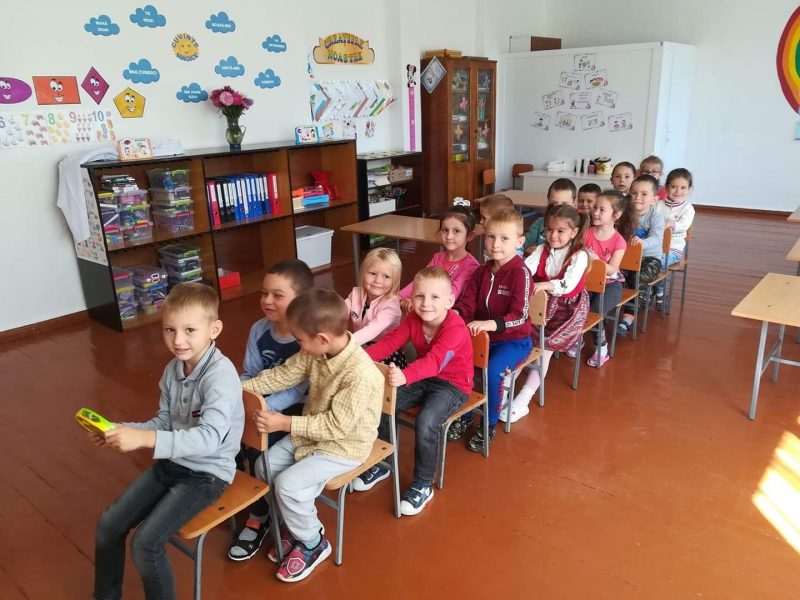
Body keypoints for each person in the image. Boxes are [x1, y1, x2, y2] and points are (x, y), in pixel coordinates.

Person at [93, 283, 243, 600]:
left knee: (145, 544)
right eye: (169, 330)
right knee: (109, 525)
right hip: (172, 464)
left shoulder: (220, 376)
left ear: (214, 330)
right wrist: (121, 429)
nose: (177, 340)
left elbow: (210, 439)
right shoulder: (173, 370)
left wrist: (144, 439)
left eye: (190, 330)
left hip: (207, 475)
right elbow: (164, 422)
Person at [241, 287, 384, 583]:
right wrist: (237, 387)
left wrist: (285, 423)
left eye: (299, 339)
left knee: (288, 486)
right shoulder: (316, 351)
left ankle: (312, 542)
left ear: (322, 339)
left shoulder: (361, 374)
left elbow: (336, 427)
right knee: (263, 466)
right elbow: (284, 374)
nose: (298, 345)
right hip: (313, 434)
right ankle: (295, 527)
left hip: (344, 445)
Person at [355, 267, 473, 515]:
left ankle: (423, 484)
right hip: (423, 378)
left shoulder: (456, 327)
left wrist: (405, 375)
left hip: (453, 385)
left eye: (435, 297)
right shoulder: (412, 318)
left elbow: (435, 362)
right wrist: (359, 359)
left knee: (427, 422)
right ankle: (383, 464)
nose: (426, 303)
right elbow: (390, 343)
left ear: (449, 300)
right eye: (419, 296)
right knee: (383, 404)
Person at [229, 259, 313, 561]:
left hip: (295, 413)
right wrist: (240, 399)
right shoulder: (259, 329)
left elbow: (298, 389)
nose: (267, 300)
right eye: (264, 293)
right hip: (260, 405)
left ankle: (260, 515)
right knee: (229, 440)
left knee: (258, 450)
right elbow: (250, 373)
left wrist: (260, 410)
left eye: (277, 295)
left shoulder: (307, 338)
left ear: (300, 300)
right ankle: (246, 496)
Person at [451, 209, 533, 450]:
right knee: (460, 366)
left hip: (513, 341)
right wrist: (455, 314)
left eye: (504, 238)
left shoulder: (521, 274)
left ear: (519, 241)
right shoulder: (481, 271)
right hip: (480, 338)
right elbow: (467, 303)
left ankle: (488, 424)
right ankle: (465, 416)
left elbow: (520, 317)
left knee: (494, 371)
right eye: (491, 237)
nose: (496, 244)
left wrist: (491, 323)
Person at [506, 205, 590, 422]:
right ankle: (505, 387)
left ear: (574, 231)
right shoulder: (542, 249)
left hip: (567, 310)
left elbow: (567, 284)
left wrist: (545, 284)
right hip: (541, 304)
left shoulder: (580, 255)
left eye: (560, 231)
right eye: (549, 230)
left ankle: (524, 398)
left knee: (544, 349)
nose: (553, 235)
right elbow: (525, 270)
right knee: (521, 341)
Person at [575, 190, 636, 366]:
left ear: (616, 215)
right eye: (595, 207)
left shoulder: (618, 241)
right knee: (576, 307)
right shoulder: (586, 233)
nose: (595, 212)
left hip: (611, 285)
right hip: (586, 282)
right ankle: (577, 340)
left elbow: (613, 269)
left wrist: (596, 261)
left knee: (594, 313)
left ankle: (601, 349)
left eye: (602, 210)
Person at [398, 206, 479, 312]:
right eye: (445, 230)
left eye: (456, 231)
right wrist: (399, 296)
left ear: (469, 236)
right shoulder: (438, 257)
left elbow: (452, 294)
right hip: (429, 307)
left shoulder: (470, 265)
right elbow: (421, 281)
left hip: (449, 312)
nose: (449, 236)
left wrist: (415, 300)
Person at [618, 175, 666, 336]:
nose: (637, 197)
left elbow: (657, 238)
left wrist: (642, 243)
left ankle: (628, 318)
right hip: (625, 258)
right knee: (615, 278)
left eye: (644, 194)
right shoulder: (624, 214)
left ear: (654, 199)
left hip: (650, 259)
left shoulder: (656, 216)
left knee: (637, 280)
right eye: (634, 193)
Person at [344, 247, 404, 365]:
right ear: (363, 273)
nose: (378, 280)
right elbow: (339, 312)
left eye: (386, 276)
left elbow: (371, 330)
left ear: (395, 281)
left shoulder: (391, 305)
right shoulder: (356, 293)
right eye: (373, 273)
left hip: (385, 353)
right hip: (360, 345)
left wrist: (345, 344)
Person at [656, 168, 696, 300]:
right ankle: (646, 290)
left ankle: (660, 292)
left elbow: (684, 225)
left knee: (658, 263)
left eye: (683, 188)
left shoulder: (688, 209)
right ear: (666, 187)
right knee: (644, 261)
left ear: (689, 189)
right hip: (654, 247)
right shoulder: (658, 205)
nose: (678, 191)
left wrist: (671, 223)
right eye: (674, 187)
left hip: (673, 250)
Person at [523, 178, 577, 252]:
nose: (559, 209)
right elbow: (523, 246)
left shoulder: (578, 227)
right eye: (554, 204)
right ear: (548, 202)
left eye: (565, 205)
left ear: (574, 204)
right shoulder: (539, 223)